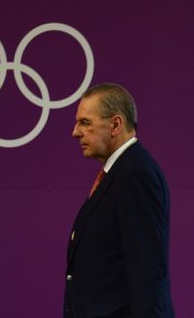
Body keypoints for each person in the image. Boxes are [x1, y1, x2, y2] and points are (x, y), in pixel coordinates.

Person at [64, 83, 174, 318]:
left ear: (115, 124)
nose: (75, 132)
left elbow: (146, 270)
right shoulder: (119, 173)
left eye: (85, 122)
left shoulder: (135, 175)